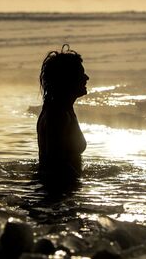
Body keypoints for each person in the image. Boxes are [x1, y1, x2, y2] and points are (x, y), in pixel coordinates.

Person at [37, 45, 88, 187]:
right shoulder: (58, 114)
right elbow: (56, 164)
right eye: (81, 74)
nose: (86, 78)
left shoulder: (60, 109)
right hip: (58, 194)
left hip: (61, 192)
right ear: (68, 79)